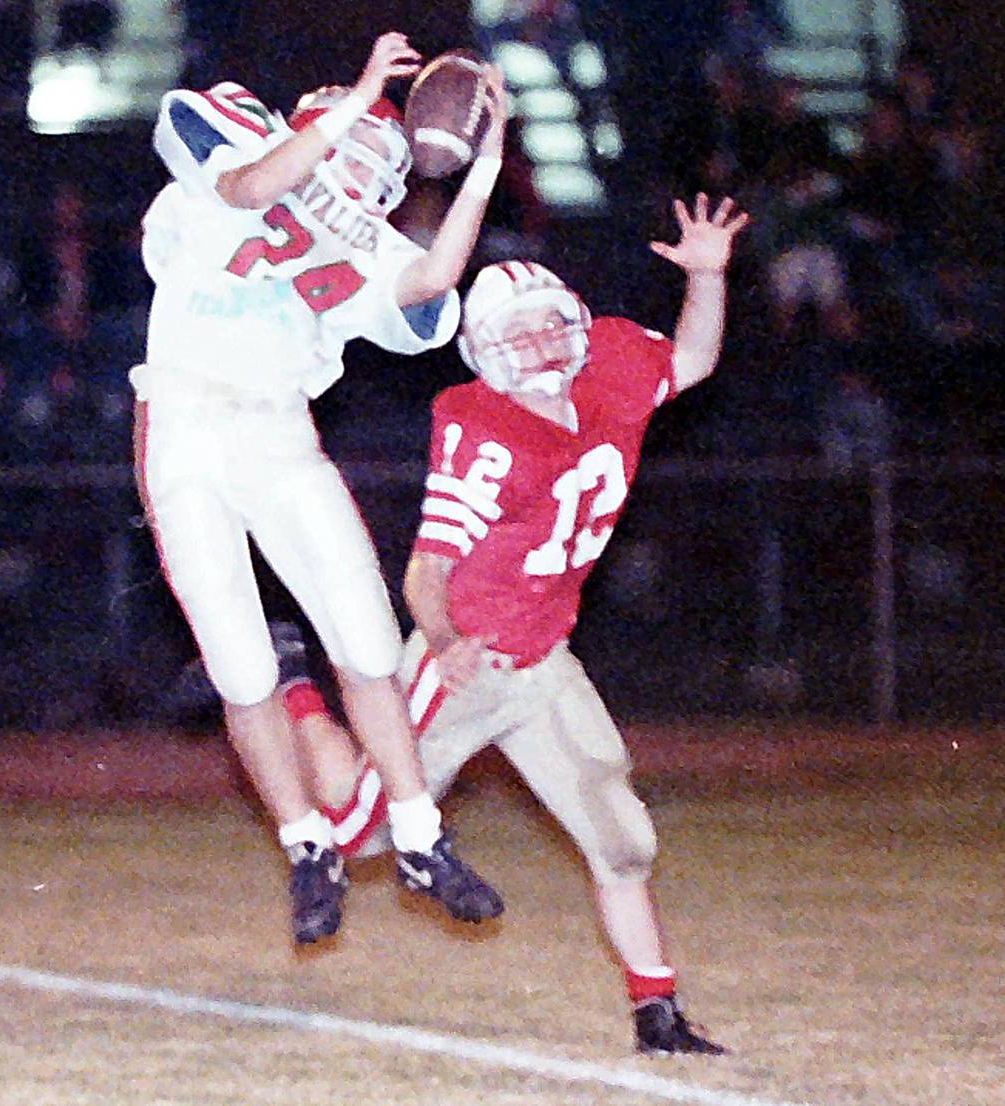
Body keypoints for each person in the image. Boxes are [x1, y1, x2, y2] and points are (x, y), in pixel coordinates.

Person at [276, 193, 750, 1053]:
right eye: (516, 335)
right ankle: (295, 688)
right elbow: (430, 565)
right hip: (474, 657)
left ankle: (659, 1014)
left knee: (623, 839)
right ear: (483, 356)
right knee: (365, 836)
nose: (538, 345)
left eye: (546, 326)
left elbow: (693, 357)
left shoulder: (609, 362)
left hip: (547, 660)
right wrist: (448, 641)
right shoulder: (479, 425)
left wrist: (708, 277)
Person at [132, 30, 507, 945]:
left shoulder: (364, 242)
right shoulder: (238, 144)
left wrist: (484, 168)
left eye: (384, 160)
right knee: (241, 665)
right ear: (313, 123)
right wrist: (356, 104)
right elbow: (253, 185)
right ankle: (307, 845)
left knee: (368, 644)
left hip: (281, 435)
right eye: (355, 144)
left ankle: (420, 835)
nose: (367, 169)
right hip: (183, 427)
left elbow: (428, 279)